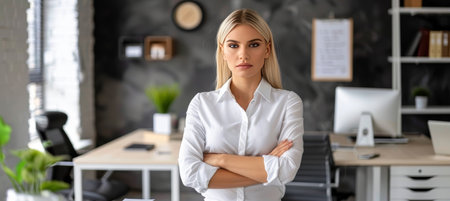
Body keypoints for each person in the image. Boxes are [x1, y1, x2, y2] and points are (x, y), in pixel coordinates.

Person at [178, 8, 304, 201]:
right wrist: (265, 168)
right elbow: (190, 174)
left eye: (253, 44)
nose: (243, 55)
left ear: (267, 50)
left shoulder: (287, 102)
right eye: (233, 45)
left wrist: (220, 160)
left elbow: (287, 172)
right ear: (222, 51)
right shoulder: (202, 104)